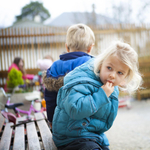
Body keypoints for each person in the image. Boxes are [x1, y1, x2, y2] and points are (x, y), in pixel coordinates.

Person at [52, 41, 142, 150]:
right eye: (109, 68)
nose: (112, 75)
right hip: (70, 136)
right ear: (101, 64)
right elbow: (75, 109)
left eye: (120, 73)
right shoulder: (83, 80)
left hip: (90, 135)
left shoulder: (110, 87)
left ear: (125, 77)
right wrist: (101, 95)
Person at [42, 23, 95, 127]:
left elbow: (49, 97)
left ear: (67, 47)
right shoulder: (92, 65)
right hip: (86, 124)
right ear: (90, 48)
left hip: (61, 124)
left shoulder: (55, 66)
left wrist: (51, 120)